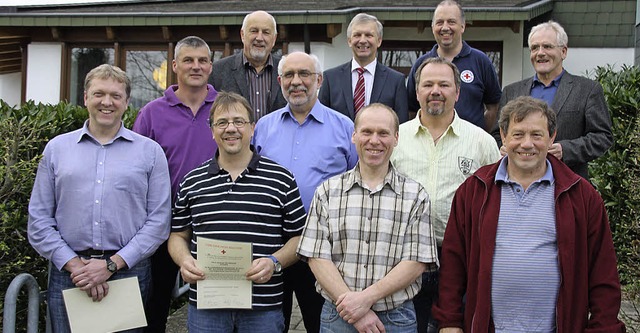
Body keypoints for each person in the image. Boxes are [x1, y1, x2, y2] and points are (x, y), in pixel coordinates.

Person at [433, 96, 625, 332]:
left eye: (536, 135)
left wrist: (603, 328)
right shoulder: (475, 190)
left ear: (551, 138)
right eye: (518, 134)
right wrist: (450, 322)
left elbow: (603, 273)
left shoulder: (580, 195)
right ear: (503, 136)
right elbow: (453, 264)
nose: (527, 144)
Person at [28, 64, 171, 333]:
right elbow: (38, 219)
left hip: (128, 271)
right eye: (99, 94)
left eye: (116, 96)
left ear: (127, 102)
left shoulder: (150, 153)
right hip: (69, 274)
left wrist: (109, 266)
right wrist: (75, 266)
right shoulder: (57, 149)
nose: (107, 102)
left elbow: (159, 222)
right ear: (85, 98)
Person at [168, 91, 307, 333]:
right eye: (222, 122)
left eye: (238, 121)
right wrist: (184, 260)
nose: (230, 128)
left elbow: (299, 238)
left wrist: (274, 262)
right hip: (206, 306)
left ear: (252, 128)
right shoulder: (192, 181)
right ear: (212, 131)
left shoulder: (281, 179)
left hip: (263, 306)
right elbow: (178, 235)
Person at [297, 103, 439, 332]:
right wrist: (354, 309)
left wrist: (363, 301)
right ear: (354, 136)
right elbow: (316, 257)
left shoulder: (415, 195)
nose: (374, 140)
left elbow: (415, 261)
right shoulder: (327, 191)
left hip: (396, 318)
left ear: (396, 138)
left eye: (383, 133)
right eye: (367, 132)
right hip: (338, 317)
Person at [391, 57, 500, 333]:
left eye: (443, 84)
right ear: (417, 93)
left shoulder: (482, 142)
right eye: (427, 84)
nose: (435, 90)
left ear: (457, 92)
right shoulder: (394, 139)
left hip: (460, 260)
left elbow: (495, 200)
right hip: (403, 259)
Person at [253, 51, 358, 332]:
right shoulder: (263, 128)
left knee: (318, 322)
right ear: (279, 81)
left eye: (304, 74)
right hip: (273, 244)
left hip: (326, 248)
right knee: (273, 323)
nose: (296, 81)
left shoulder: (345, 128)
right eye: (289, 75)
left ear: (319, 80)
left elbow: (357, 181)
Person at [132, 35, 218, 333]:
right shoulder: (152, 113)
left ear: (211, 65)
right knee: (156, 304)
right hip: (164, 227)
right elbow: (135, 170)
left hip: (215, 224)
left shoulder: (226, 109)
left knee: (215, 303)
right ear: (174, 66)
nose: (196, 66)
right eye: (188, 60)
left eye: (202, 60)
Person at [494, 20, 612, 180]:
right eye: (535, 48)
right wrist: (502, 147)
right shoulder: (511, 91)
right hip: (518, 182)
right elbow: (497, 134)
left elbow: (602, 137)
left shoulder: (587, 90)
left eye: (547, 46)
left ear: (563, 52)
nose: (540, 52)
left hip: (567, 184)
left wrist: (566, 150)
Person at [406, 0, 501, 131]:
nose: (445, 27)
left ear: (462, 26)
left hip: (470, 145)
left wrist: (479, 133)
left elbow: (493, 107)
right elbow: (411, 109)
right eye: (440, 22)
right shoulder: (421, 64)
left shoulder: (481, 61)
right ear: (433, 27)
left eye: (451, 22)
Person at [319, 13, 408, 123]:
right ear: (349, 41)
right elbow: (322, 120)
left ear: (379, 41)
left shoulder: (396, 81)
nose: (362, 40)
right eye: (357, 35)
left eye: (368, 35)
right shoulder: (330, 78)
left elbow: (401, 124)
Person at [210, 10, 286, 121]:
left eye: (266, 32)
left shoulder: (286, 71)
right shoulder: (217, 71)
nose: (259, 38)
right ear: (242, 35)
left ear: (274, 39)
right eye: (254, 31)